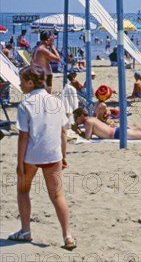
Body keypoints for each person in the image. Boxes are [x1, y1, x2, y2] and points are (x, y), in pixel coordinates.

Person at [9, 65, 76, 250]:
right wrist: (64, 155)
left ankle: (25, 231)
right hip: (52, 154)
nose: (20, 85)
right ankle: (67, 236)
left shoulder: (25, 105)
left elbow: (24, 136)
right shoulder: (56, 101)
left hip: (31, 155)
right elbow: (63, 131)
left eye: (22, 82)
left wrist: (19, 162)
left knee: (23, 190)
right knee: (57, 195)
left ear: (30, 83)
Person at [72, 108, 141, 141]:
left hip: (117, 133)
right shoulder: (92, 119)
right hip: (117, 129)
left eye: (76, 118)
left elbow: (87, 138)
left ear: (81, 116)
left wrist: (77, 130)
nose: (76, 120)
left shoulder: (88, 122)